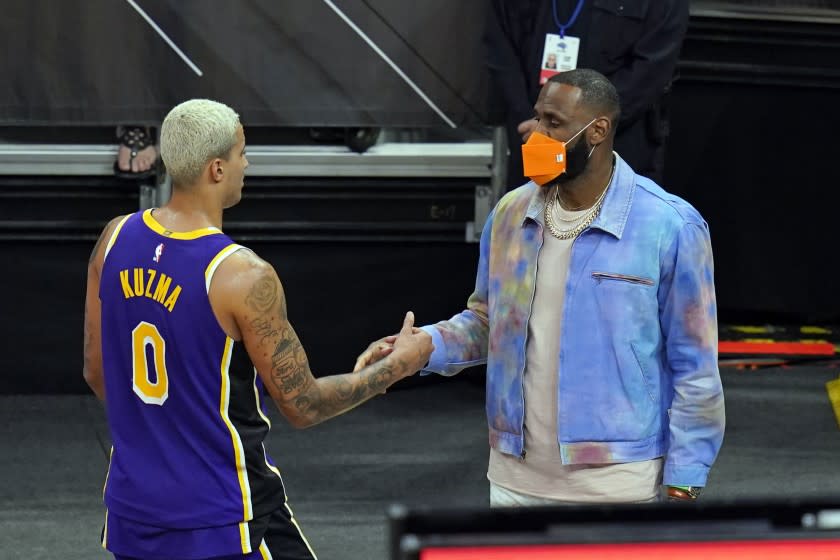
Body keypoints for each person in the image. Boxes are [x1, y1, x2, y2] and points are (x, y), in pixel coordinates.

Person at [83, 98, 433, 559]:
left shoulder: (114, 238)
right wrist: (396, 369)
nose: (246, 164)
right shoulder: (241, 275)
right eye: (241, 153)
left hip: (134, 511)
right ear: (216, 169)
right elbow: (304, 405)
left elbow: (96, 371)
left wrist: (162, 432)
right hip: (224, 515)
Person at [356, 69, 724, 506]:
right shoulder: (511, 214)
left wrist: (685, 479)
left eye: (554, 123)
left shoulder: (669, 225)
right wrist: (423, 348)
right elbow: (488, 322)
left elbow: (695, 366)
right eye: (537, 118)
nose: (536, 135)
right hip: (515, 479)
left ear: (598, 130)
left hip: (618, 481)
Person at [484, 0, 690, 189]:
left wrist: (574, 128)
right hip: (534, 142)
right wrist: (537, 123)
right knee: (531, 224)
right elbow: (501, 48)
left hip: (614, 149)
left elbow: (650, 70)